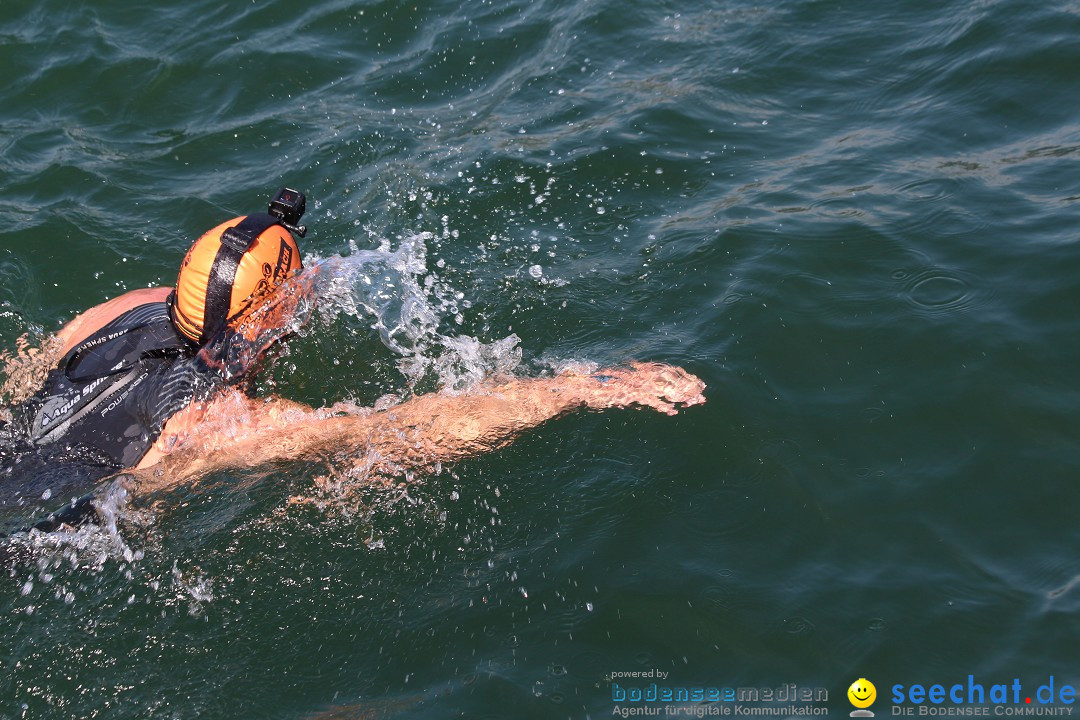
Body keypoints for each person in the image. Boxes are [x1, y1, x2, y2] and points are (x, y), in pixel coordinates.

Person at [0, 189, 706, 534]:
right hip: (35, 530)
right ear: (265, 318)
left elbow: (24, 376)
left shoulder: (117, 312)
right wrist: (585, 387)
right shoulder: (223, 424)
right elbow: (417, 431)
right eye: (295, 284)